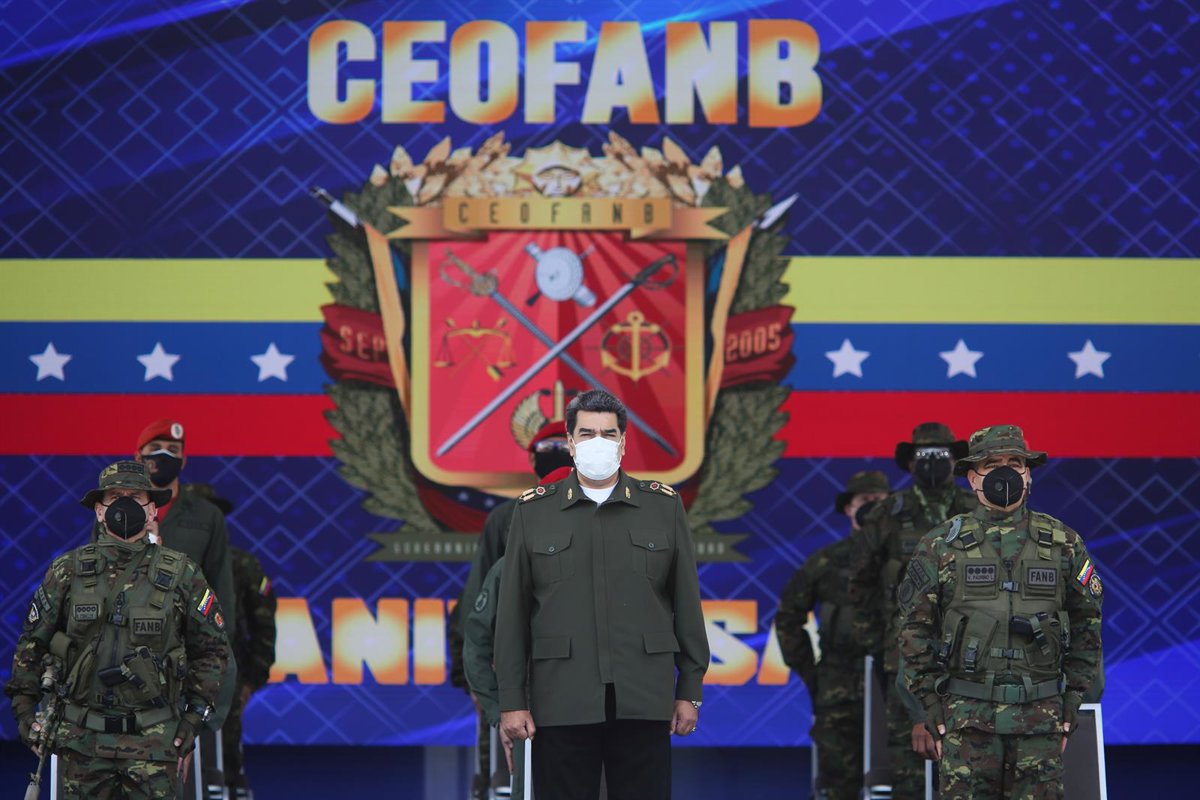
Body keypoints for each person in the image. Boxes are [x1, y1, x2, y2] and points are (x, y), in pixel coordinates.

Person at [494, 389, 710, 800]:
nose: (599, 442)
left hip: (644, 696)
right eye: (587, 433)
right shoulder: (534, 511)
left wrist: (690, 691)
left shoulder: (662, 507)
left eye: (608, 434)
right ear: (570, 442)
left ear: (623, 442)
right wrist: (512, 700)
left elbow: (686, 604)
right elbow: (513, 615)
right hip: (561, 698)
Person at [898, 425, 1103, 799]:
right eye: (992, 464)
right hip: (967, 721)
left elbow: (1088, 625)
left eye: (1015, 463)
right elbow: (915, 631)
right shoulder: (940, 545)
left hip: (1040, 721)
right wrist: (929, 704)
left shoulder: (1064, 543)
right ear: (972, 477)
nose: (1005, 472)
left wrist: (1074, 700)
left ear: (1029, 475)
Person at [5, 461, 231, 799]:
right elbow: (31, 646)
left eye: (135, 497)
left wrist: (193, 718)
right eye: (115, 497)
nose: (125, 505)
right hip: (82, 743)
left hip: (154, 742)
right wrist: (26, 713)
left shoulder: (183, 574)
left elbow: (212, 650)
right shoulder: (67, 571)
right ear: (99, 510)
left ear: (152, 509)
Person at [848, 422, 978, 798]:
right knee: (910, 762)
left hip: (972, 655)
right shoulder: (886, 514)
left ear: (955, 460)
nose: (932, 461)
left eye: (941, 454)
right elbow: (860, 584)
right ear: (909, 463)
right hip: (905, 658)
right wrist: (878, 643)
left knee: (973, 758)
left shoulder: (976, 511)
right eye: (924, 454)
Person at [448, 421, 575, 799]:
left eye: (561, 447)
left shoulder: (606, 514)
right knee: (508, 778)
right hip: (516, 673)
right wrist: (475, 680)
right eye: (548, 449)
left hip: (576, 678)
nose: (555, 455)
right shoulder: (510, 517)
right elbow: (479, 602)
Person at [776, 471, 891, 800]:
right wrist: (814, 675)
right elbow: (788, 617)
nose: (872, 507)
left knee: (906, 781)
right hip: (839, 687)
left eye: (879, 501)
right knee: (838, 783)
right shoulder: (826, 562)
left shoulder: (909, 559)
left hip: (896, 687)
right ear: (848, 508)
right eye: (864, 501)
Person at [182, 485, 277, 800]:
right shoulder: (165, 564)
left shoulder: (242, 565)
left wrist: (251, 680)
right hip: (170, 673)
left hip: (226, 674)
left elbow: (264, 629)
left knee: (224, 758)